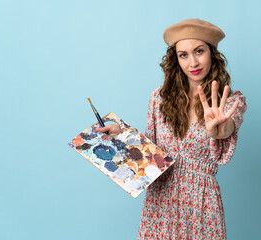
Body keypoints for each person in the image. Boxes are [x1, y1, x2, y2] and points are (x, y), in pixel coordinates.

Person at [97, 18, 247, 240]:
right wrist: (121, 134)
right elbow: (150, 151)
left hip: (201, 202)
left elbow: (226, 129)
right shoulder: (159, 98)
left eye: (199, 51)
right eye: (183, 55)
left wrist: (219, 130)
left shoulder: (231, 102)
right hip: (161, 198)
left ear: (212, 54)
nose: (193, 62)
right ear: (175, 59)